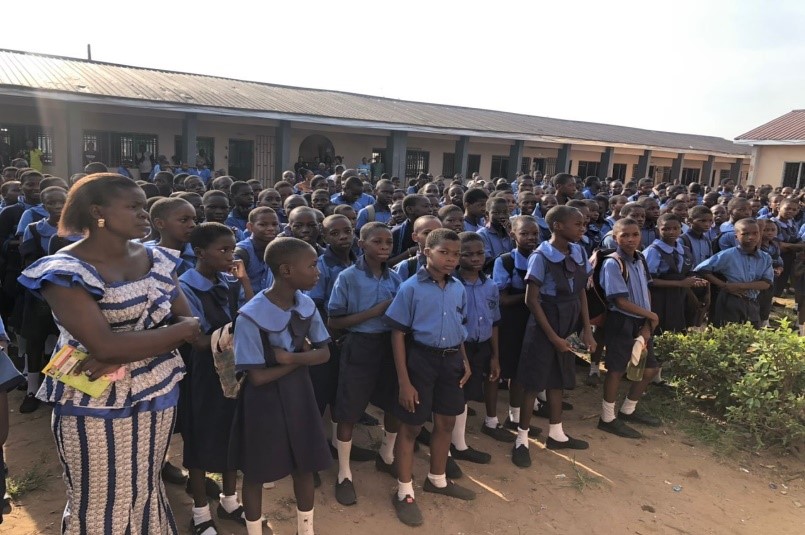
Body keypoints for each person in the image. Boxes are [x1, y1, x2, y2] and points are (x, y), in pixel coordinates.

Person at [18, 173, 201, 533]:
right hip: (92, 401)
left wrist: (130, 346)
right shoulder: (64, 271)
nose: (143, 214)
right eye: (132, 207)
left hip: (157, 393)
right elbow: (106, 346)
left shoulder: (157, 258)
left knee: (145, 490)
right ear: (97, 211)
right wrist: (172, 333)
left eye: (144, 206)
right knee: (101, 501)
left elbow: (192, 321)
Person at [230, 237, 332, 535]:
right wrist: (301, 360)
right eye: (312, 265)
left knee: (305, 464)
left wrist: (289, 358)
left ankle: (306, 529)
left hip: (300, 395)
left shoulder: (306, 304)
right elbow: (257, 377)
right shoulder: (250, 315)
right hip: (264, 402)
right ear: (286, 270)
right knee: (256, 471)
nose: (318, 272)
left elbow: (325, 353)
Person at [383, 228, 475, 527]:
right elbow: (397, 333)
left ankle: (437, 478)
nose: (451, 259)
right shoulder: (410, 287)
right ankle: (404, 491)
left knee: (447, 420)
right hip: (421, 360)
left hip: (451, 362)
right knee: (411, 426)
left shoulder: (458, 287)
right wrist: (404, 381)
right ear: (427, 251)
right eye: (444, 253)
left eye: (455, 254)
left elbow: (459, 325)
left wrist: (464, 358)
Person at [180, 223, 253, 535]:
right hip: (201, 372)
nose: (230, 255)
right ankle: (199, 512)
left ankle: (229, 499)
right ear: (199, 253)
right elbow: (196, 339)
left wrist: (245, 281)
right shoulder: (184, 286)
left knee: (231, 432)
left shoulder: (227, 280)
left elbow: (251, 310)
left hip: (230, 367)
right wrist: (241, 328)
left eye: (232, 249)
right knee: (199, 438)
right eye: (223, 250)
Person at [328, 222, 402, 506]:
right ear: (362, 244)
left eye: (388, 243)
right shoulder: (347, 277)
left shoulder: (395, 278)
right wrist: (373, 312)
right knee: (348, 410)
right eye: (377, 242)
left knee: (395, 404)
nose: (384, 247)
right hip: (359, 345)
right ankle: (344, 474)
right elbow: (334, 321)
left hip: (390, 346)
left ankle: (387, 454)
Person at [513, 206, 594, 467]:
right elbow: (531, 300)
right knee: (533, 382)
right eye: (577, 224)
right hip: (545, 321)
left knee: (559, 377)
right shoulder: (541, 256)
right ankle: (522, 439)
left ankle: (556, 433)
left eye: (584, 225)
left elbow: (581, 291)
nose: (582, 229)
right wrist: (553, 336)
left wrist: (586, 329)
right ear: (558, 226)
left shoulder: (578, 251)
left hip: (569, 318)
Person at [597, 218, 661, 440]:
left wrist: (647, 322)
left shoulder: (640, 258)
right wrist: (651, 315)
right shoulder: (613, 263)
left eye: (635, 234)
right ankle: (606, 418)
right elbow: (620, 301)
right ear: (615, 238)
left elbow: (647, 290)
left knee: (649, 369)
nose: (630, 239)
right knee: (616, 369)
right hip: (621, 321)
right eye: (624, 235)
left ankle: (628, 410)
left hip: (641, 321)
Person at [490, 215, 540, 439]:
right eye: (524, 234)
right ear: (512, 235)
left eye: (534, 234)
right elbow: (503, 300)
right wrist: (532, 296)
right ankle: (511, 415)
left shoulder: (541, 258)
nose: (530, 238)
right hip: (513, 321)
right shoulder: (506, 261)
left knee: (525, 371)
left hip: (534, 320)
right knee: (512, 369)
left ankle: (516, 416)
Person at [450, 232, 497, 465]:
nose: (476, 258)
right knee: (456, 394)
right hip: (460, 346)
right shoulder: (452, 285)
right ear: (458, 257)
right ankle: (456, 445)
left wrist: (495, 356)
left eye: (480, 253)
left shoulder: (490, 286)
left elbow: (494, 321)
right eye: (468, 254)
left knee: (466, 396)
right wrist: (463, 356)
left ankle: (458, 442)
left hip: (482, 345)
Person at [695, 218, 774, 328]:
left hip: (752, 301)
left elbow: (766, 283)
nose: (751, 237)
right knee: (728, 334)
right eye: (745, 234)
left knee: (751, 336)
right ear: (736, 236)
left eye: (755, 233)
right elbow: (701, 269)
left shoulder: (765, 258)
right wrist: (724, 285)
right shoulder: (728, 255)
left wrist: (738, 286)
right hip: (730, 301)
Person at [644, 214, 707, 334]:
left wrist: (694, 281)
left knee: (679, 328)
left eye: (675, 228)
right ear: (658, 230)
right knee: (662, 329)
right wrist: (680, 283)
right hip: (660, 297)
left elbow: (687, 272)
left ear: (681, 229)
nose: (671, 232)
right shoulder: (653, 251)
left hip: (680, 296)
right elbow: (650, 280)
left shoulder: (684, 250)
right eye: (665, 229)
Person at [145, 198, 198, 275]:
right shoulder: (147, 258)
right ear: (160, 223)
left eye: (194, 219)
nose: (192, 224)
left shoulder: (200, 252)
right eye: (184, 220)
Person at [234, 207, 280, 293]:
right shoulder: (241, 253)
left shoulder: (280, 249)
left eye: (274, 224)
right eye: (263, 225)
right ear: (250, 227)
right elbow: (234, 287)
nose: (271, 228)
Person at [393, 215, 441, 280]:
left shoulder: (449, 264)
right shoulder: (406, 267)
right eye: (427, 233)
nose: (433, 237)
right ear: (415, 237)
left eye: (438, 233)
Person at [477, 197, 513, 270]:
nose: (501, 216)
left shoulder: (512, 231)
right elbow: (487, 262)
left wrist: (512, 235)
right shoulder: (482, 235)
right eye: (496, 213)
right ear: (487, 214)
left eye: (505, 212)